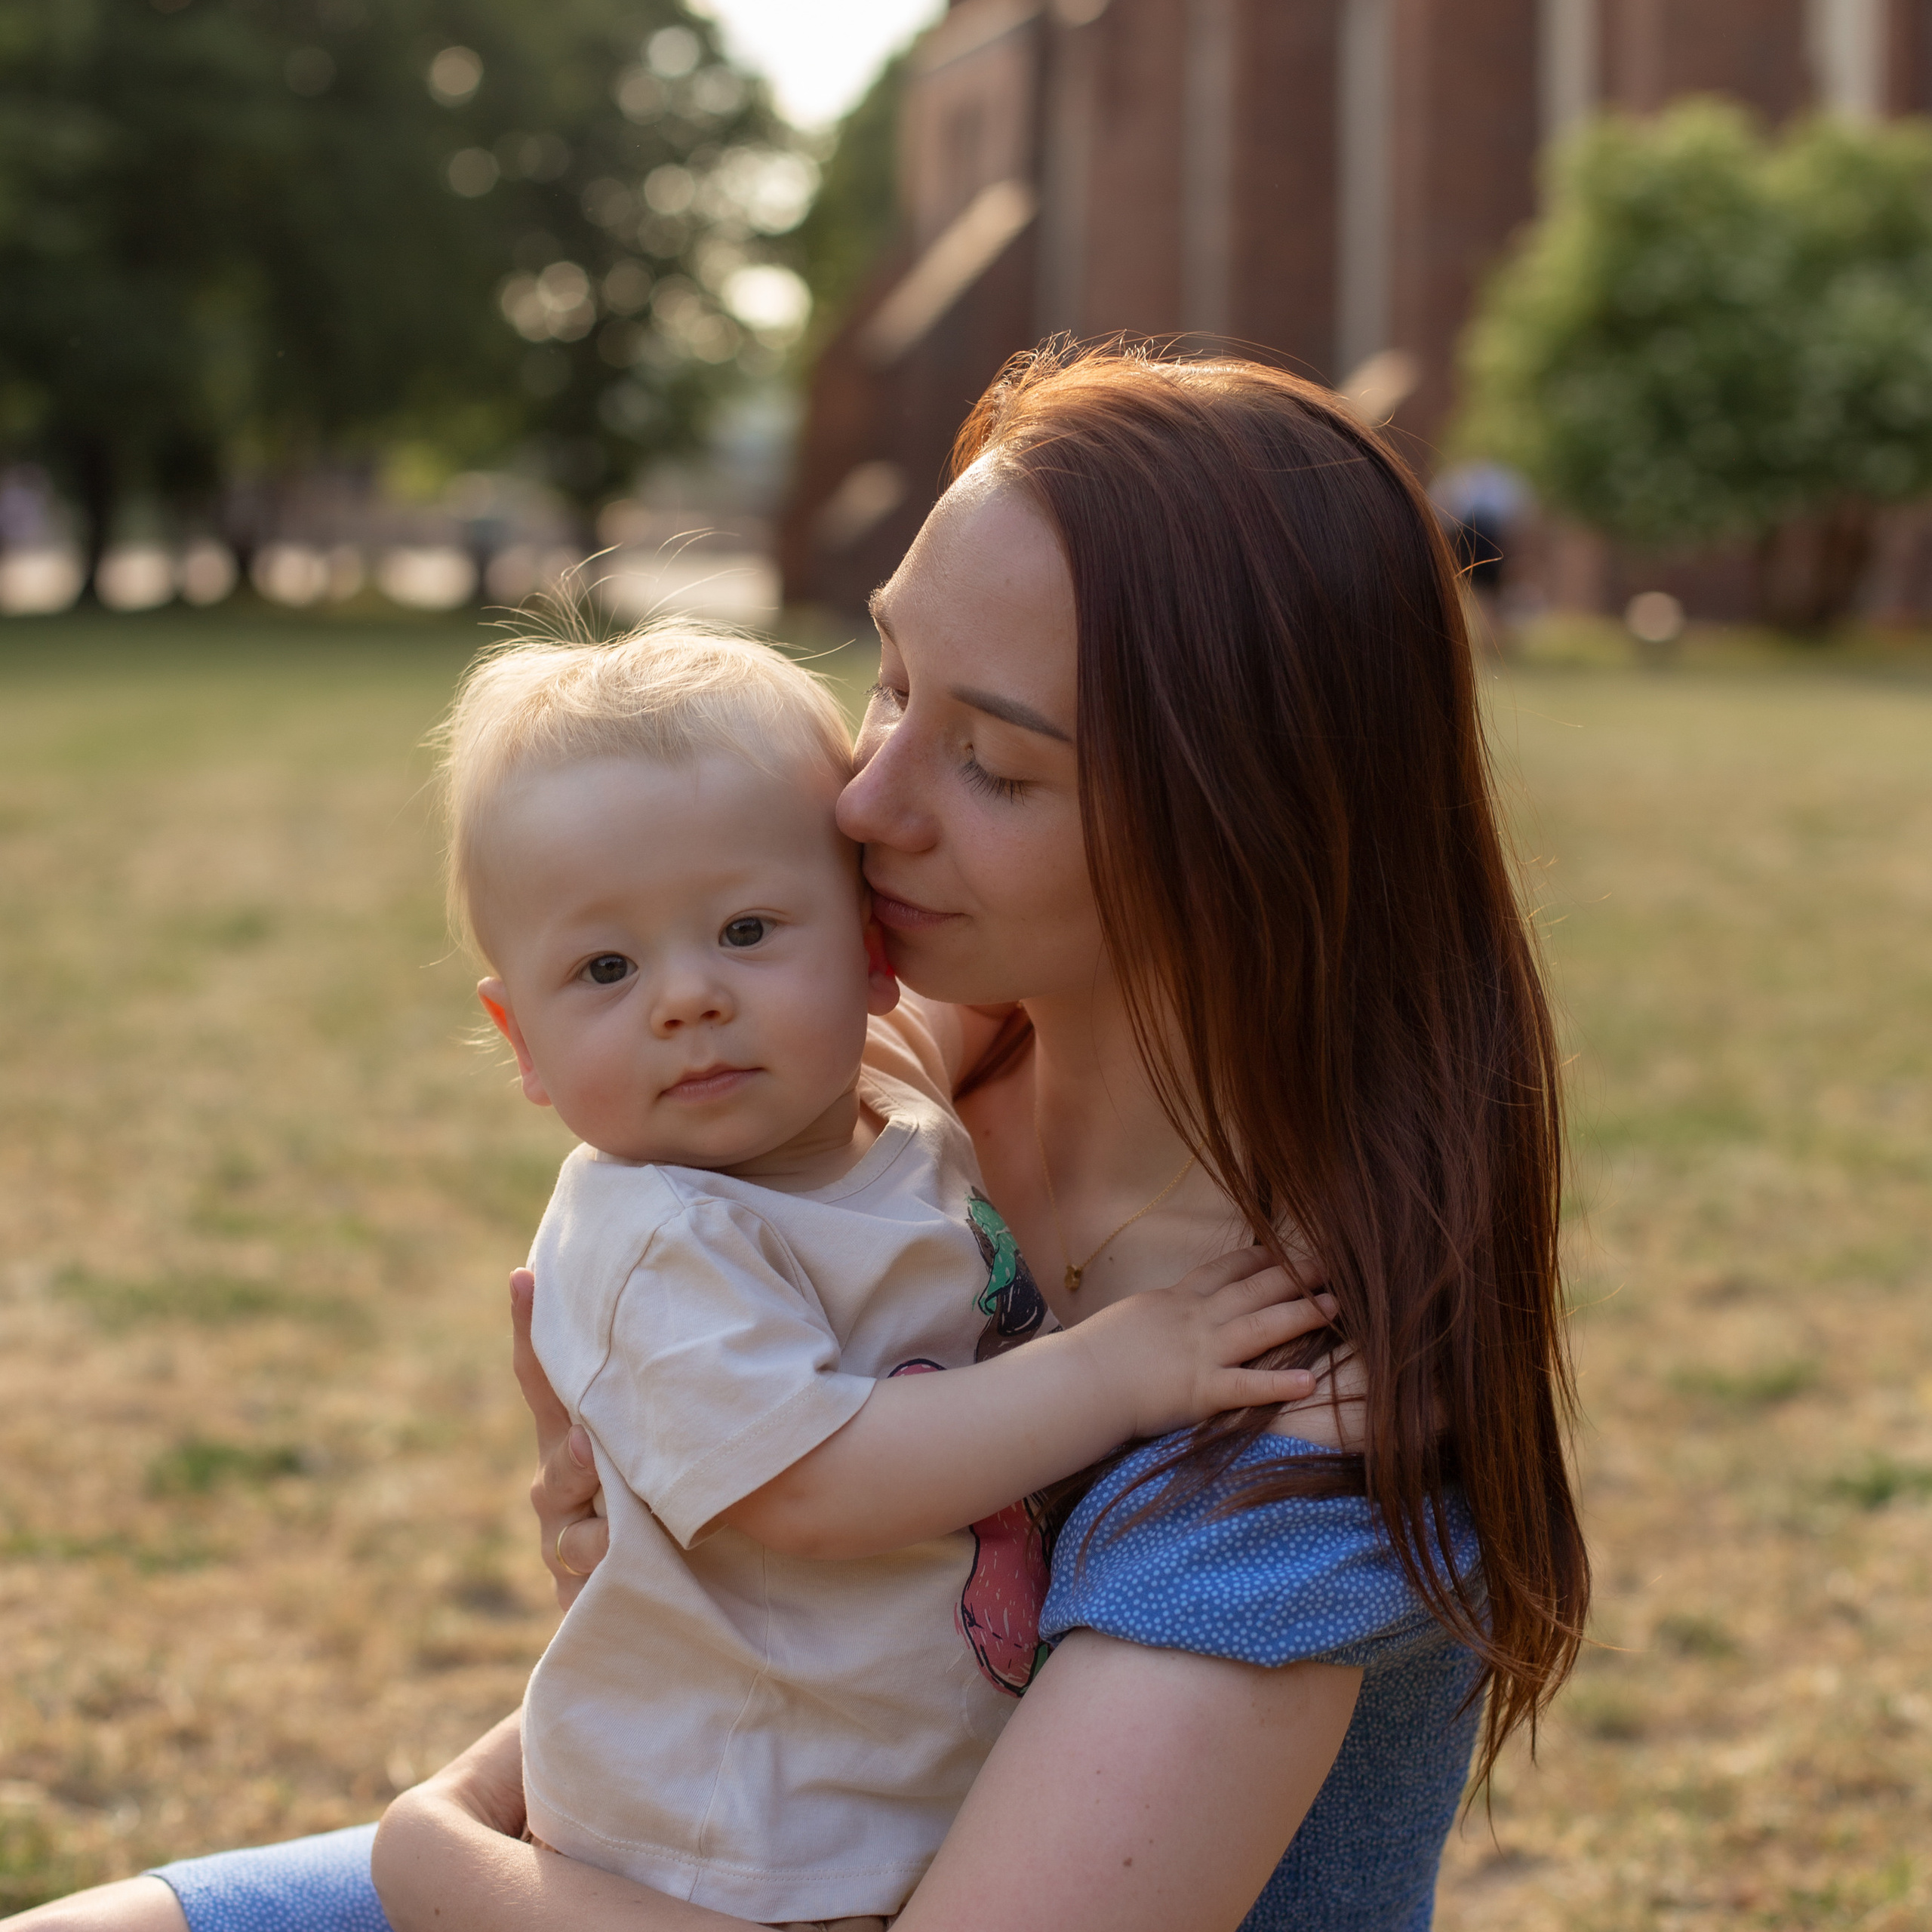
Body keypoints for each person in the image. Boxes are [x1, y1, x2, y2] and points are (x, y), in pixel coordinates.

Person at [8, 341, 1588, 1932]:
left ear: (1235, 834)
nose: (862, 797)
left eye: (991, 761)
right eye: (888, 677)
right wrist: (640, 1495)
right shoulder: (893, 1069)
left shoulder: (1294, 1400)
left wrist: (446, 1845)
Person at [440, 623, 1324, 1922]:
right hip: (741, 1854)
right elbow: (811, 1484)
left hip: (881, 1811)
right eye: (606, 968)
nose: (686, 998)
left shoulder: (886, 1111)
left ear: (870, 951)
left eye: (746, 928)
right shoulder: (656, 1234)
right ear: (520, 1037)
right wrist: (1126, 1364)